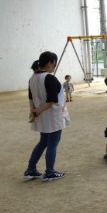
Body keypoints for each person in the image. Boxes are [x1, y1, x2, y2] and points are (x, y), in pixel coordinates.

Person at [24, 51, 67, 182]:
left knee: (43, 142)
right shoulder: (49, 78)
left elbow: (31, 98)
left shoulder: (32, 78)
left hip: (42, 117)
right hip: (52, 116)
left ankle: (30, 169)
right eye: (54, 63)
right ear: (49, 63)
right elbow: (51, 100)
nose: (54, 66)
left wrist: (33, 112)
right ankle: (49, 172)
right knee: (52, 143)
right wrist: (35, 112)